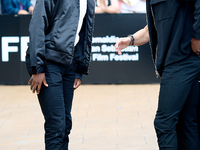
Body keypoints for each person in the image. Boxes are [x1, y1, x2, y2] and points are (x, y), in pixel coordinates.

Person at [115, 0, 200, 149]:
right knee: (187, 122)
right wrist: (130, 40)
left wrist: (197, 36)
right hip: (180, 61)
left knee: (164, 123)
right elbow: (150, 30)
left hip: (182, 61)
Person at [26, 0, 95, 149]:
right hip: (48, 61)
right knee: (56, 125)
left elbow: (82, 33)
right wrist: (38, 68)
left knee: (65, 124)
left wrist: (78, 69)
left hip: (69, 65)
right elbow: (38, 23)